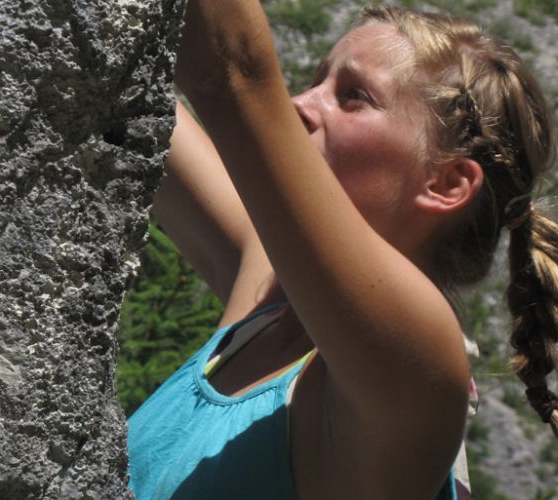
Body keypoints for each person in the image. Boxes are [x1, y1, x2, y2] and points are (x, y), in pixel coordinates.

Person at [126, 2, 558, 499]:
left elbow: (233, 73)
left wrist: (241, 82)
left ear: (447, 183)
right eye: (315, 80)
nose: (297, 104)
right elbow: (138, 102)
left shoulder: (416, 362)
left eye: (353, 96)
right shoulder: (270, 288)